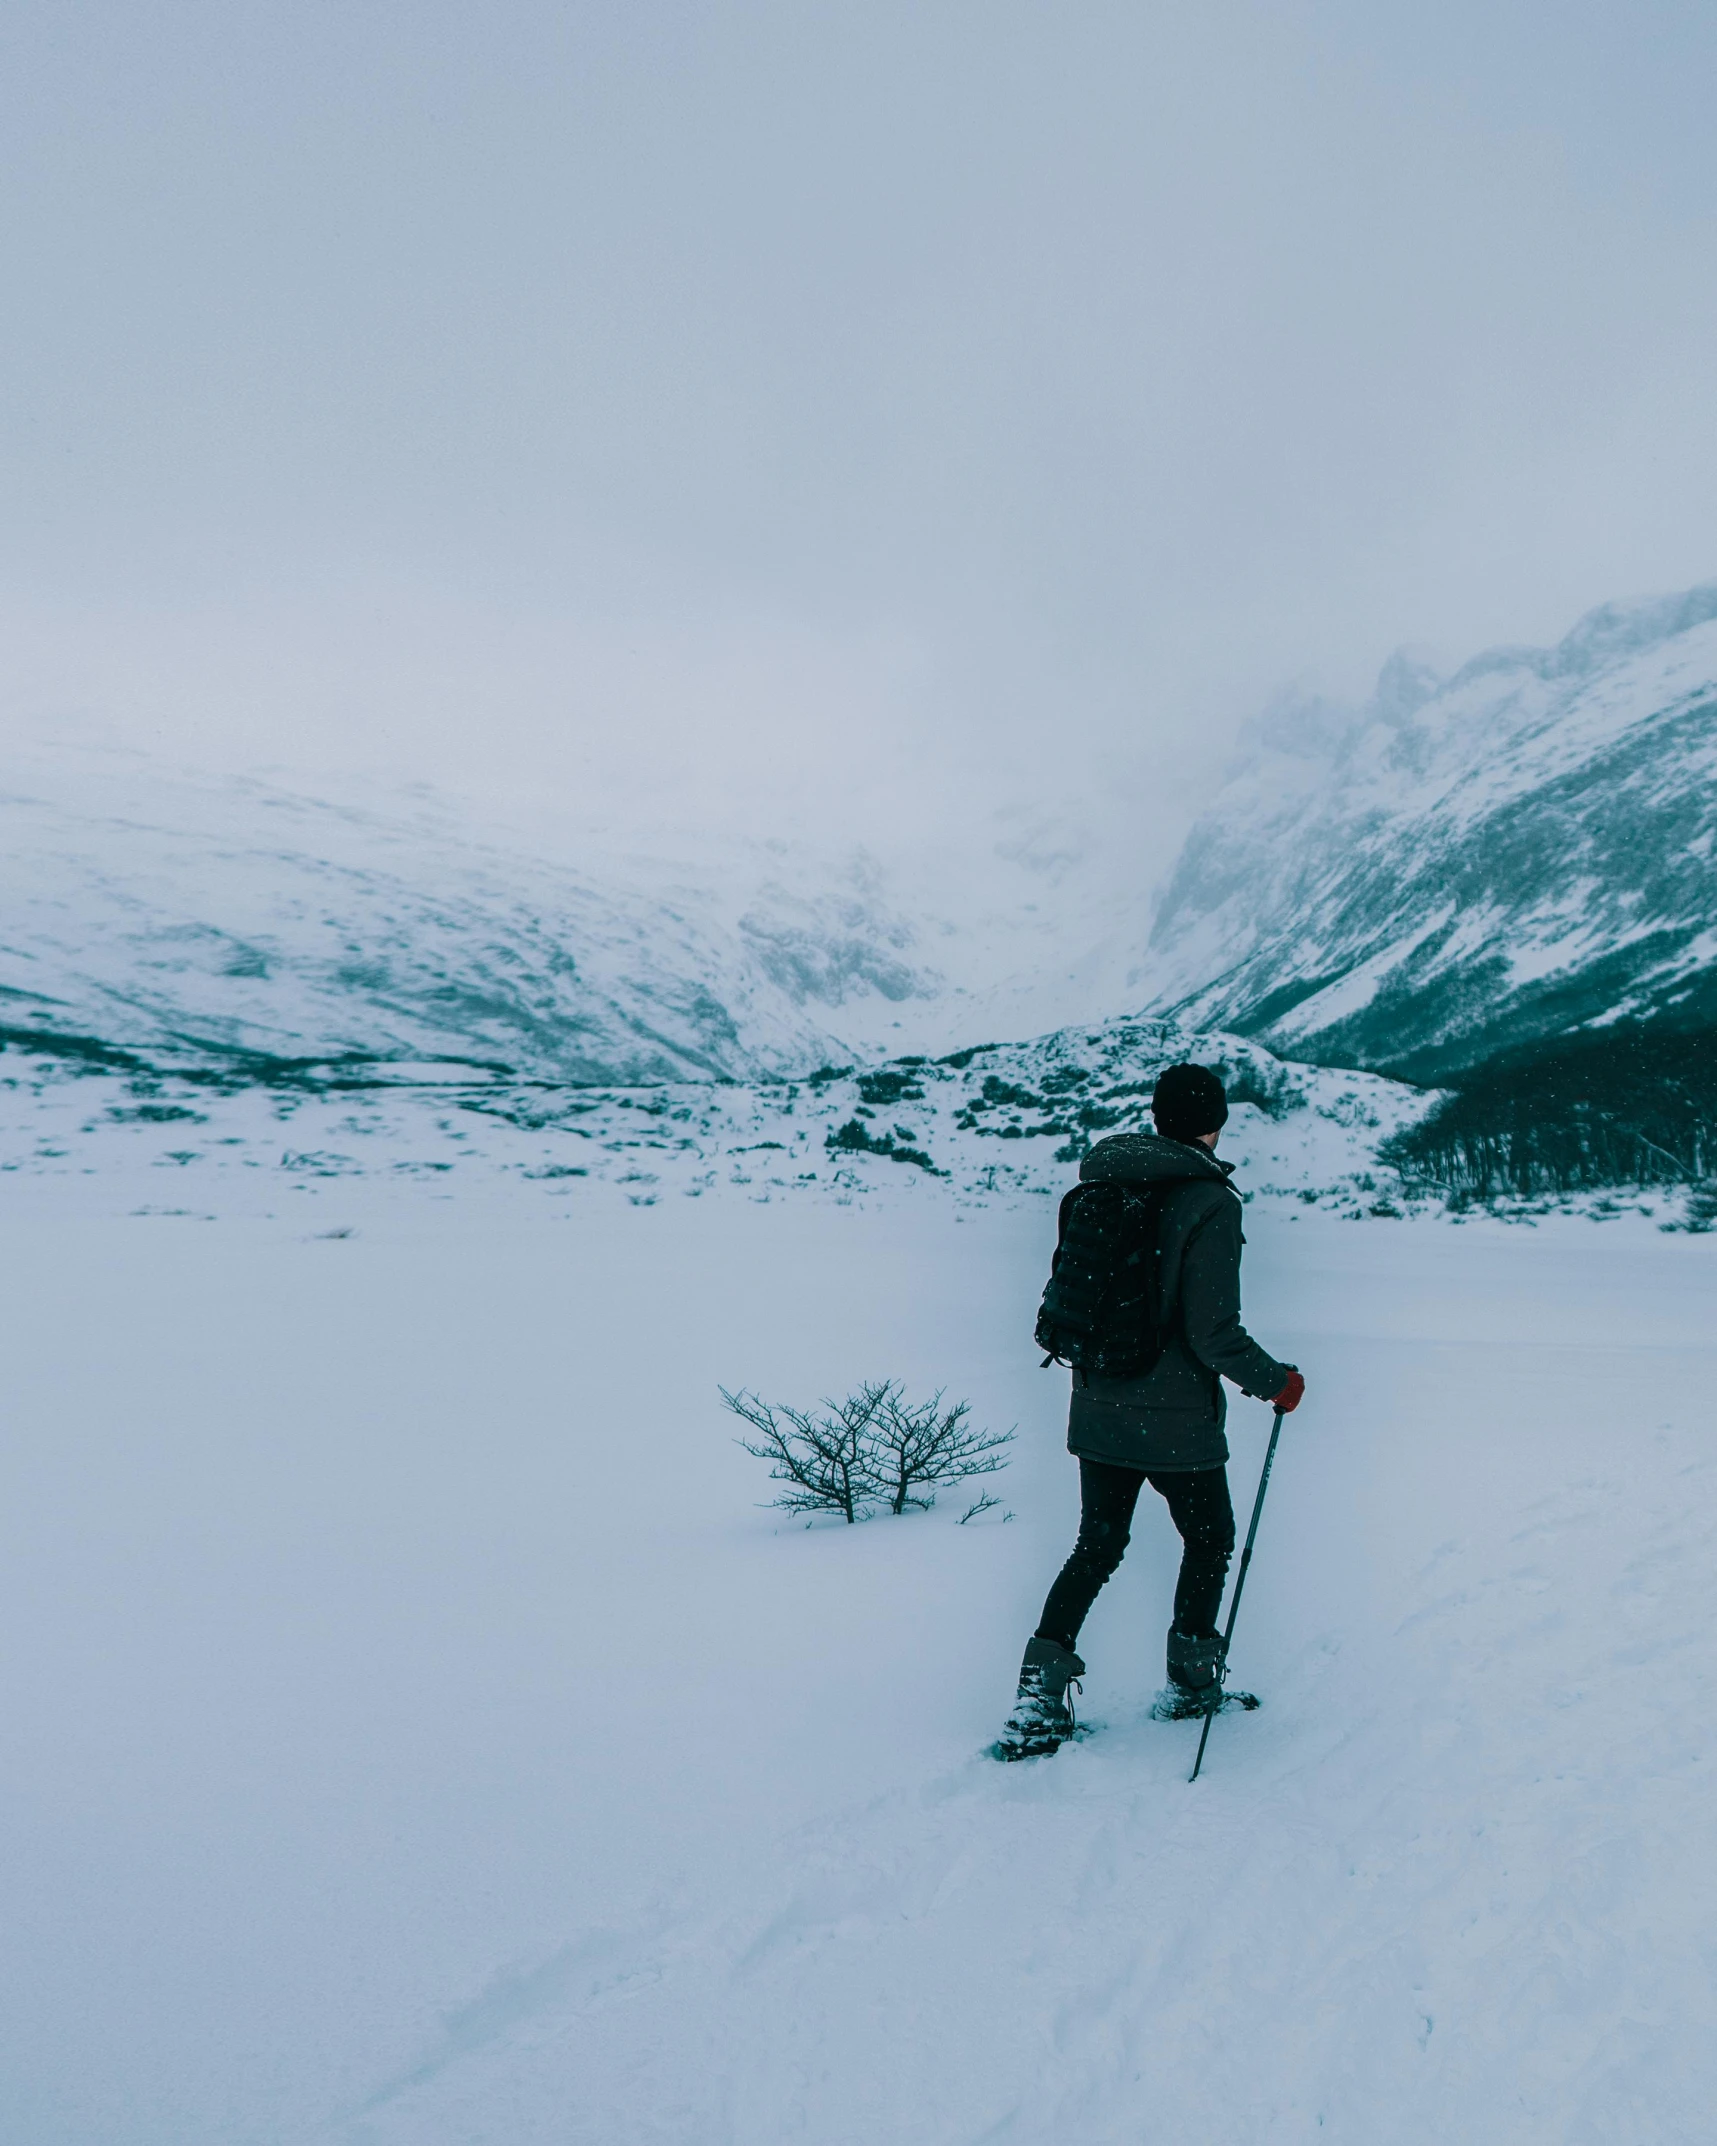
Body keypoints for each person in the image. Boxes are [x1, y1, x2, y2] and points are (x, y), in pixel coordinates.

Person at [994, 1062, 1304, 1760]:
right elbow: (1212, 1332)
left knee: (1096, 1546)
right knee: (1209, 1539)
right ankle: (1192, 1684)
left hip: (1098, 1404)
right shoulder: (1209, 1202)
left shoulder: (1102, 1185)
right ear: (1211, 1123)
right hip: (1176, 1421)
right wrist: (1275, 1383)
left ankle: (1036, 1698)